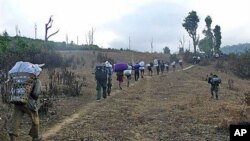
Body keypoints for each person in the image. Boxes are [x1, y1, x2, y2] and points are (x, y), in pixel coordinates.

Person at [8, 62, 44, 141]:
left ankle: (12, 138)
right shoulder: (36, 80)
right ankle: (35, 137)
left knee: (15, 120)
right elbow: (35, 94)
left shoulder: (19, 80)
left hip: (17, 101)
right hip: (28, 103)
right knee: (35, 119)